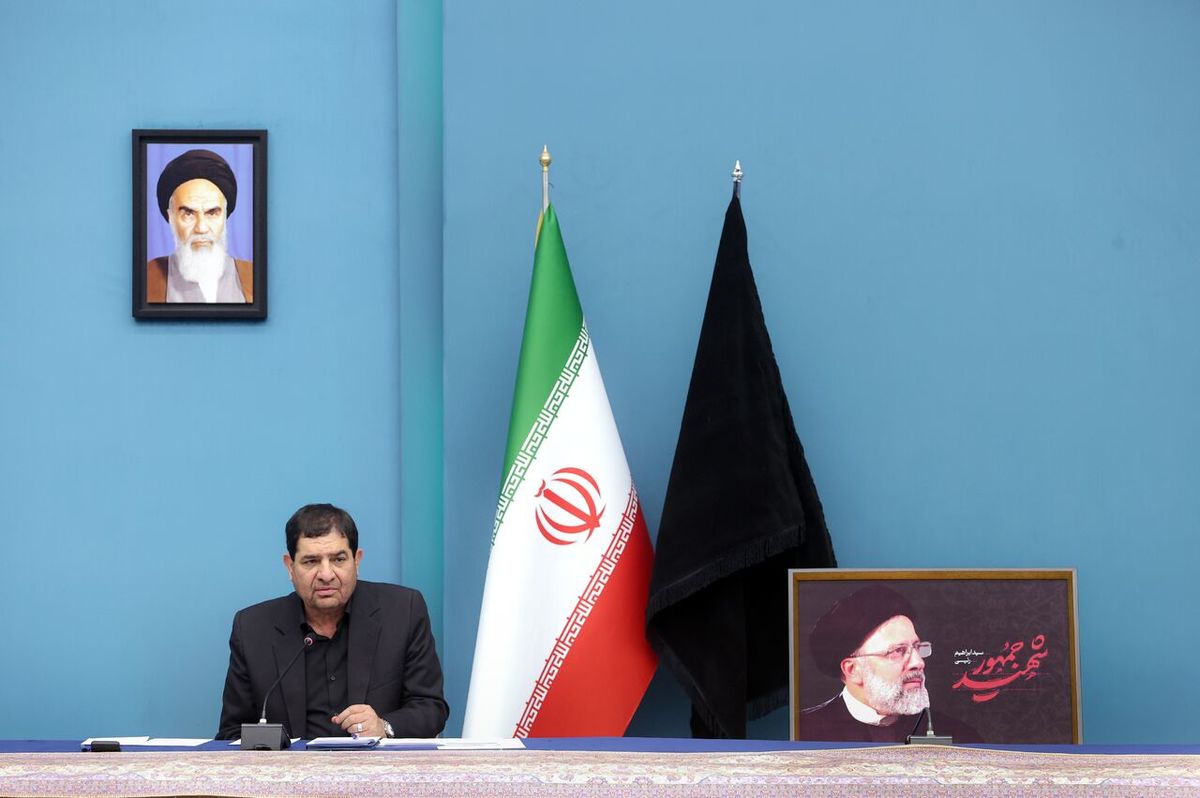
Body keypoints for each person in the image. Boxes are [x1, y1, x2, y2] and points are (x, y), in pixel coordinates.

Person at [216, 503, 448, 740]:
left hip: (375, 762)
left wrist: (384, 727)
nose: (326, 575)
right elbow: (231, 733)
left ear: (357, 561)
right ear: (290, 567)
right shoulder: (253, 629)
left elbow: (431, 708)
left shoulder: (402, 611)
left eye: (338, 559)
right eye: (311, 561)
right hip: (292, 763)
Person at [799, 585, 980, 743]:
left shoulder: (958, 735)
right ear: (853, 670)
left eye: (917, 648)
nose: (918, 662)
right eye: (897, 651)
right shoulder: (804, 732)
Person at [147, 149, 253, 303]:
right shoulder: (147, 277)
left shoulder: (253, 276)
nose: (201, 228)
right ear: (171, 217)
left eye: (212, 213)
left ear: (224, 215)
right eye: (188, 214)